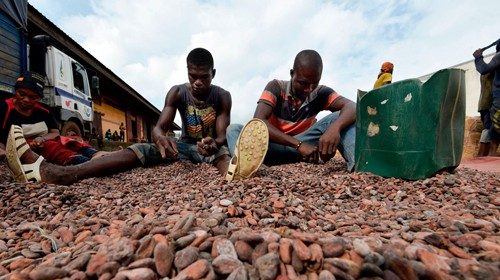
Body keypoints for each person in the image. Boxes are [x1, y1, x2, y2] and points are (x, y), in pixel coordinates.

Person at [3, 48, 232, 185]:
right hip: (182, 146)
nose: (198, 82)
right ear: (187, 72)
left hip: (210, 149)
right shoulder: (178, 92)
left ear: (213, 73)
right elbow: (159, 128)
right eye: (193, 76)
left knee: (223, 156)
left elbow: (221, 136)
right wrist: (161, 139)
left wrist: (214, 143)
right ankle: (65, 174)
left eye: (204, 77)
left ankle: (235, 176)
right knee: (141, 149)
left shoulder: (222, 96)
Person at [226, 50, 356, 180]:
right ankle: (245, 168)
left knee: (340, 116)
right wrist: (298, 145)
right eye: (303, 83)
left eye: (314, 83)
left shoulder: (321, 93)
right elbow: (259, 121)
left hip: (305, 149)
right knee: (233, 129)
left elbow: (353, 106)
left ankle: (360, 166)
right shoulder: (276, 87)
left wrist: (335, 129)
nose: (309, 89)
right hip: (269, 147)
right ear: (292, 74)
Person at [0, 71, 106, 166]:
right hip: (19, 148)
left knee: (69, 140)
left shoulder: (44, 111)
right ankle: (84, 162)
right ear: (15, 91)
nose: (26, 100)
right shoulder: (4, 108)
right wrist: (5, 155)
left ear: (39, 98)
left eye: (33, 97)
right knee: (50, 146)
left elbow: (55, 133)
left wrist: (42, 139)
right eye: (21, 94)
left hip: (40, 142)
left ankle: (95, 154)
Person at [474, 41, 500, 156]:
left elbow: (483, 68)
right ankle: (485, 159)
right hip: (487, 104)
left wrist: (478, 58)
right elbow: (483, 69)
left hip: (489, 104)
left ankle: (484, 159)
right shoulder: (493, 66)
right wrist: (479, 58)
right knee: (491, 131)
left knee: (492, 131)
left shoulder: (494, 64)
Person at [477, 73, 493, 156]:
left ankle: (482, 155)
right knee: (488, 129)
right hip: (489, 105)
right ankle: (482, 156)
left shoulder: (484, 73)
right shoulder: (491, 72)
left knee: (487, 128)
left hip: (483, 105)